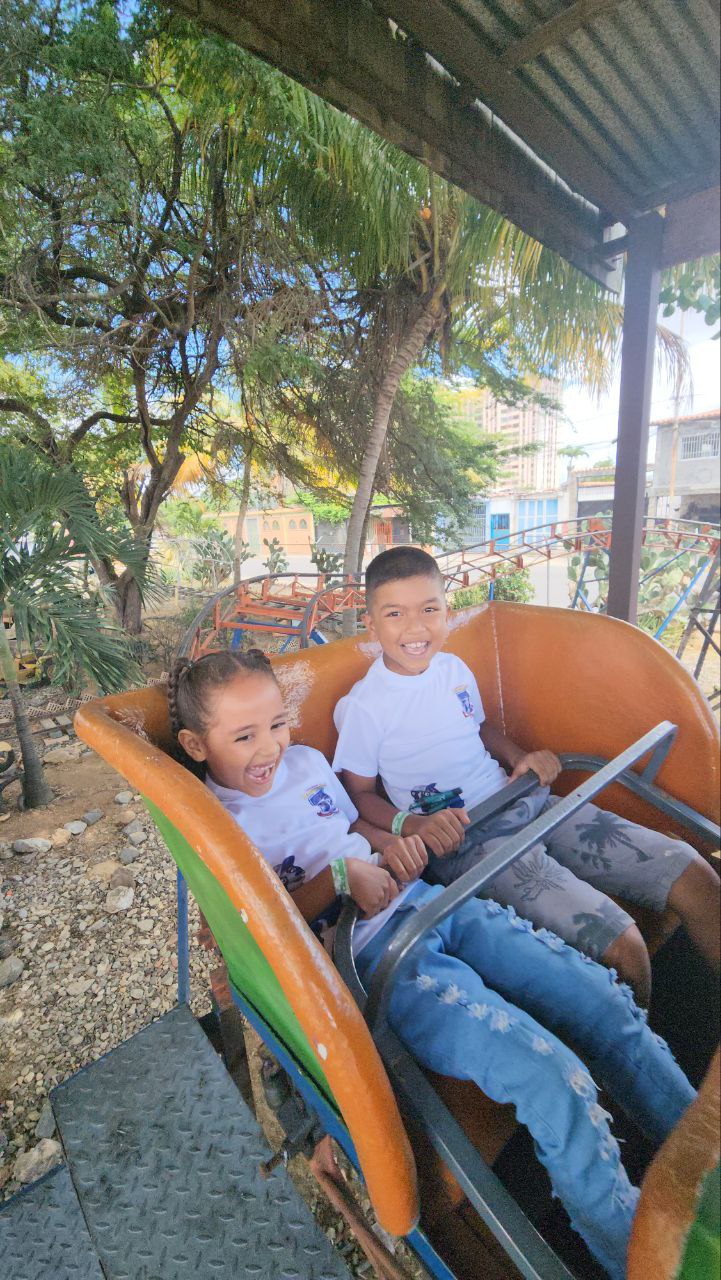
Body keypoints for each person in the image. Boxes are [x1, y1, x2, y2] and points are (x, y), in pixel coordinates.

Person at [167, 647, 696, 1280]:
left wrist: (395, 846)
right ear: (195, 745)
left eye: (278, 724)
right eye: (244, 736)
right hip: (377, 961)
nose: (269, 747)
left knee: (605, 1001)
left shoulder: (305, 763)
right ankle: (638, 1256)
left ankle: (699, 1159)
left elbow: (357, 829)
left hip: (430, 905)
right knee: (553, 1078)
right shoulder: (218, 827)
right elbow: (259, 929)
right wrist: (341, 879)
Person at [333, 546, 720, 1008]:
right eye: (395, 613)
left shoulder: (453, 669)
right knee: (624, 950)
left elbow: (476, 729)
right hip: (470, 843)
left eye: (429, 609)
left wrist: (521, 757)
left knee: (693, 873)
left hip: (525, 802)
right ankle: (641, 1047)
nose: (415, 628)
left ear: (447, 612)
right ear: (371, 623)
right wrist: (412, 825)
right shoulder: (364, 707)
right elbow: (358, 795)